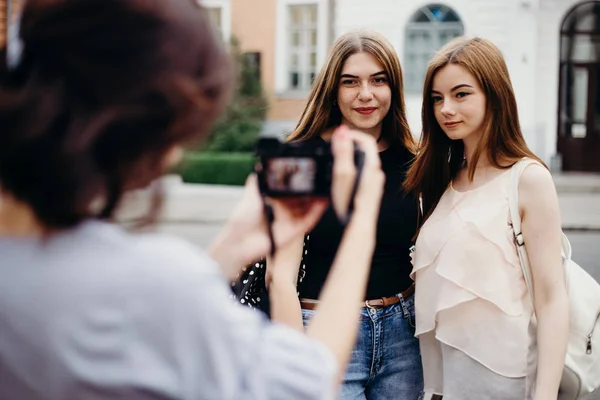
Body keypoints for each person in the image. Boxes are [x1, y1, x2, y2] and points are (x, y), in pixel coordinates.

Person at [0, 1, 387, 398]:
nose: (176, 154)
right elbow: (308, 383)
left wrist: (231, 248)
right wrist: (360, 218)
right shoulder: (146, 279)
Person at [404, 36, 569, 400]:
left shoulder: (527, 179)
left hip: (504, 381)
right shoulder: (440, 178)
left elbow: (552, 300)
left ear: (494, 95)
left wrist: (545, 396)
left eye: (461, 94)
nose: (446, 108)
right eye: (436, 98)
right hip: (439, 384)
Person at [267, 30, 424, 399]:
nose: (365, 94)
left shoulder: (414, 161)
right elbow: (280, 276)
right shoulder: (297, 160)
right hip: (323, 333)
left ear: (394, 88)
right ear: (332, 90)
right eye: (350, 82)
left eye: (378, 80)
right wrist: (296, 364)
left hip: (404, 335)